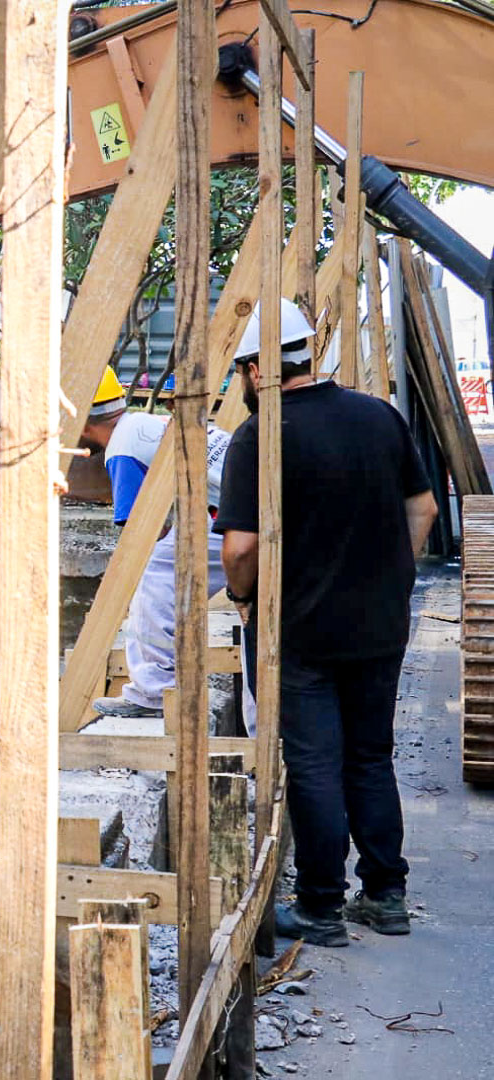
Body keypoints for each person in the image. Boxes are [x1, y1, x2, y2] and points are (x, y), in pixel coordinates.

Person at [214, 297, 438, 946]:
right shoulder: (379, 417)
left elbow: (240, 549)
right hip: (379, 626)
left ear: (258, 369)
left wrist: (243, 596)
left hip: (301, 633)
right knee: (370, 757)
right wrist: (393, 577)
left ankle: (320, 907)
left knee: (314, 764)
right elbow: (423, 509)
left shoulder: (260, 436)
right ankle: (386, 897)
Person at [77, 366, 243, 724]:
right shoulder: (142, 424)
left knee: (152, 575)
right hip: (249, 507)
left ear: (82, 423)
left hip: (237, 517)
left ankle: (153, 691)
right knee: (165, 565)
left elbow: (140, 535)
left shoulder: (121, 449)